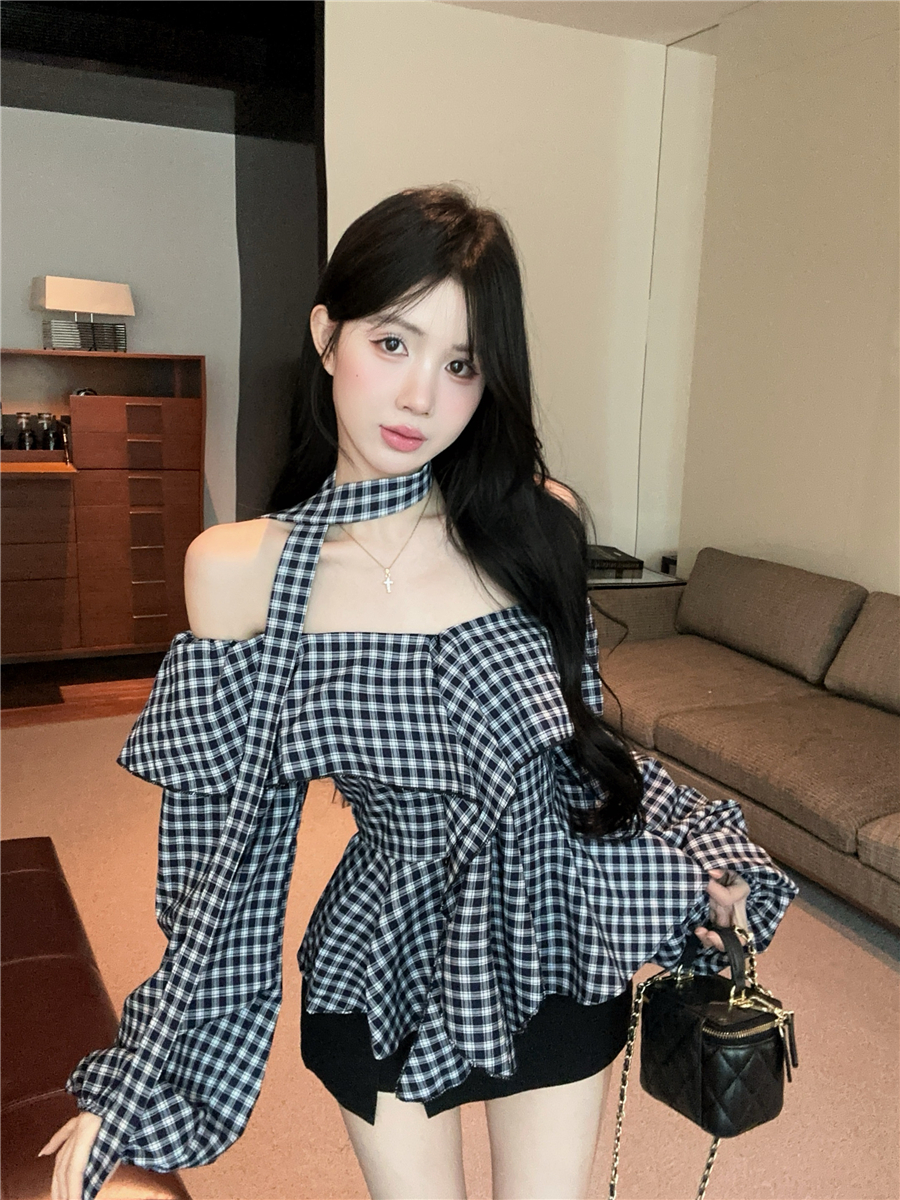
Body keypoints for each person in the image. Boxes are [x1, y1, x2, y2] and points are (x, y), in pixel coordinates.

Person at [40, 185, 797, 1200]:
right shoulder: (241, 570)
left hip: (552, 939)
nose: (418, 398)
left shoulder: (538, 524)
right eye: (392, 343)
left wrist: (700, 847)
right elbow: (225, 865)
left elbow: (578, 754)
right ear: (327, 336)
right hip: (383, 962)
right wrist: (140, 1077)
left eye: (460, 364)